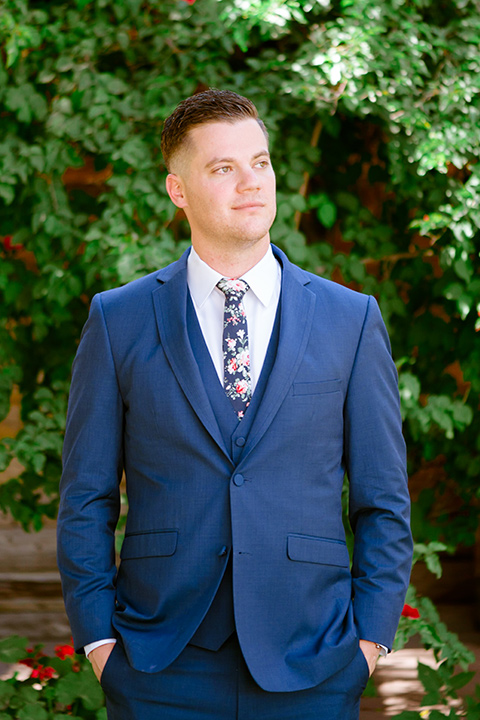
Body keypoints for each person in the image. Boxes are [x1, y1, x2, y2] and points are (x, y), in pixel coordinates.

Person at [57, 89, 413, 720]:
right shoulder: (120, 319)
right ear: (178, 189)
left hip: (314, 660)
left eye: (261, 162)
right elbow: (85, 497)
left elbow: (383, 498)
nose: (251, 183)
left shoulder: (350, 319)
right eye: (223, 168)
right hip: (157, 662)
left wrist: (369, 642)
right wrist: (99, 641)